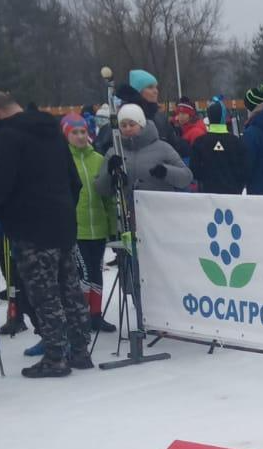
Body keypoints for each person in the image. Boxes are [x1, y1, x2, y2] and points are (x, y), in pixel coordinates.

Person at [0, 91, 92, 377]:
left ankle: (55, 357)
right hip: (62, 222)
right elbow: (73, 179)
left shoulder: (8, 137)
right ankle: (79, 350)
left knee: (44, 293)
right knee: (70, 288)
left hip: (30, 227)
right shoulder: (52, 130)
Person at [61, 113, 117, 333]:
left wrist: (112, 227)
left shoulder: (97, 159)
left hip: (98, 228)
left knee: (95, 272)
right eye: (74, 132)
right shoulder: (64, 160)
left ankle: (96, 314)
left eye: (83, 131)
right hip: (77, 229)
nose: (80, 136)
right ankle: (80, 316)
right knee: (83, 274)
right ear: (66, 135)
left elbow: (108, 198)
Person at [94, 104, 193, 201]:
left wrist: (166, 172)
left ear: (141, 124)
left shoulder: (163, 148)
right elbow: (101, 190)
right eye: (123, 125)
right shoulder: (114, 152)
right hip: (130, 212)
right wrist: (110, 174)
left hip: (160, 210)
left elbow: (186, 178)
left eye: (132, 124)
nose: (128, 128)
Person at [116, 69, 189, 157]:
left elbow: (174, 147)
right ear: (138, 91)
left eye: (156, 87)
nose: (156, 91)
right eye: (150, 87)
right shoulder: (123, 117)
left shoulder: (160, 117)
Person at [190, 101, 247, 194]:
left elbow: (194, 170)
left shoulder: (200, 142)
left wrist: (207, 178)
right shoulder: (236, 142)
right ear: (224, 117)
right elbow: (244, 170)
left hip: (208, 196)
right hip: (232, 197)